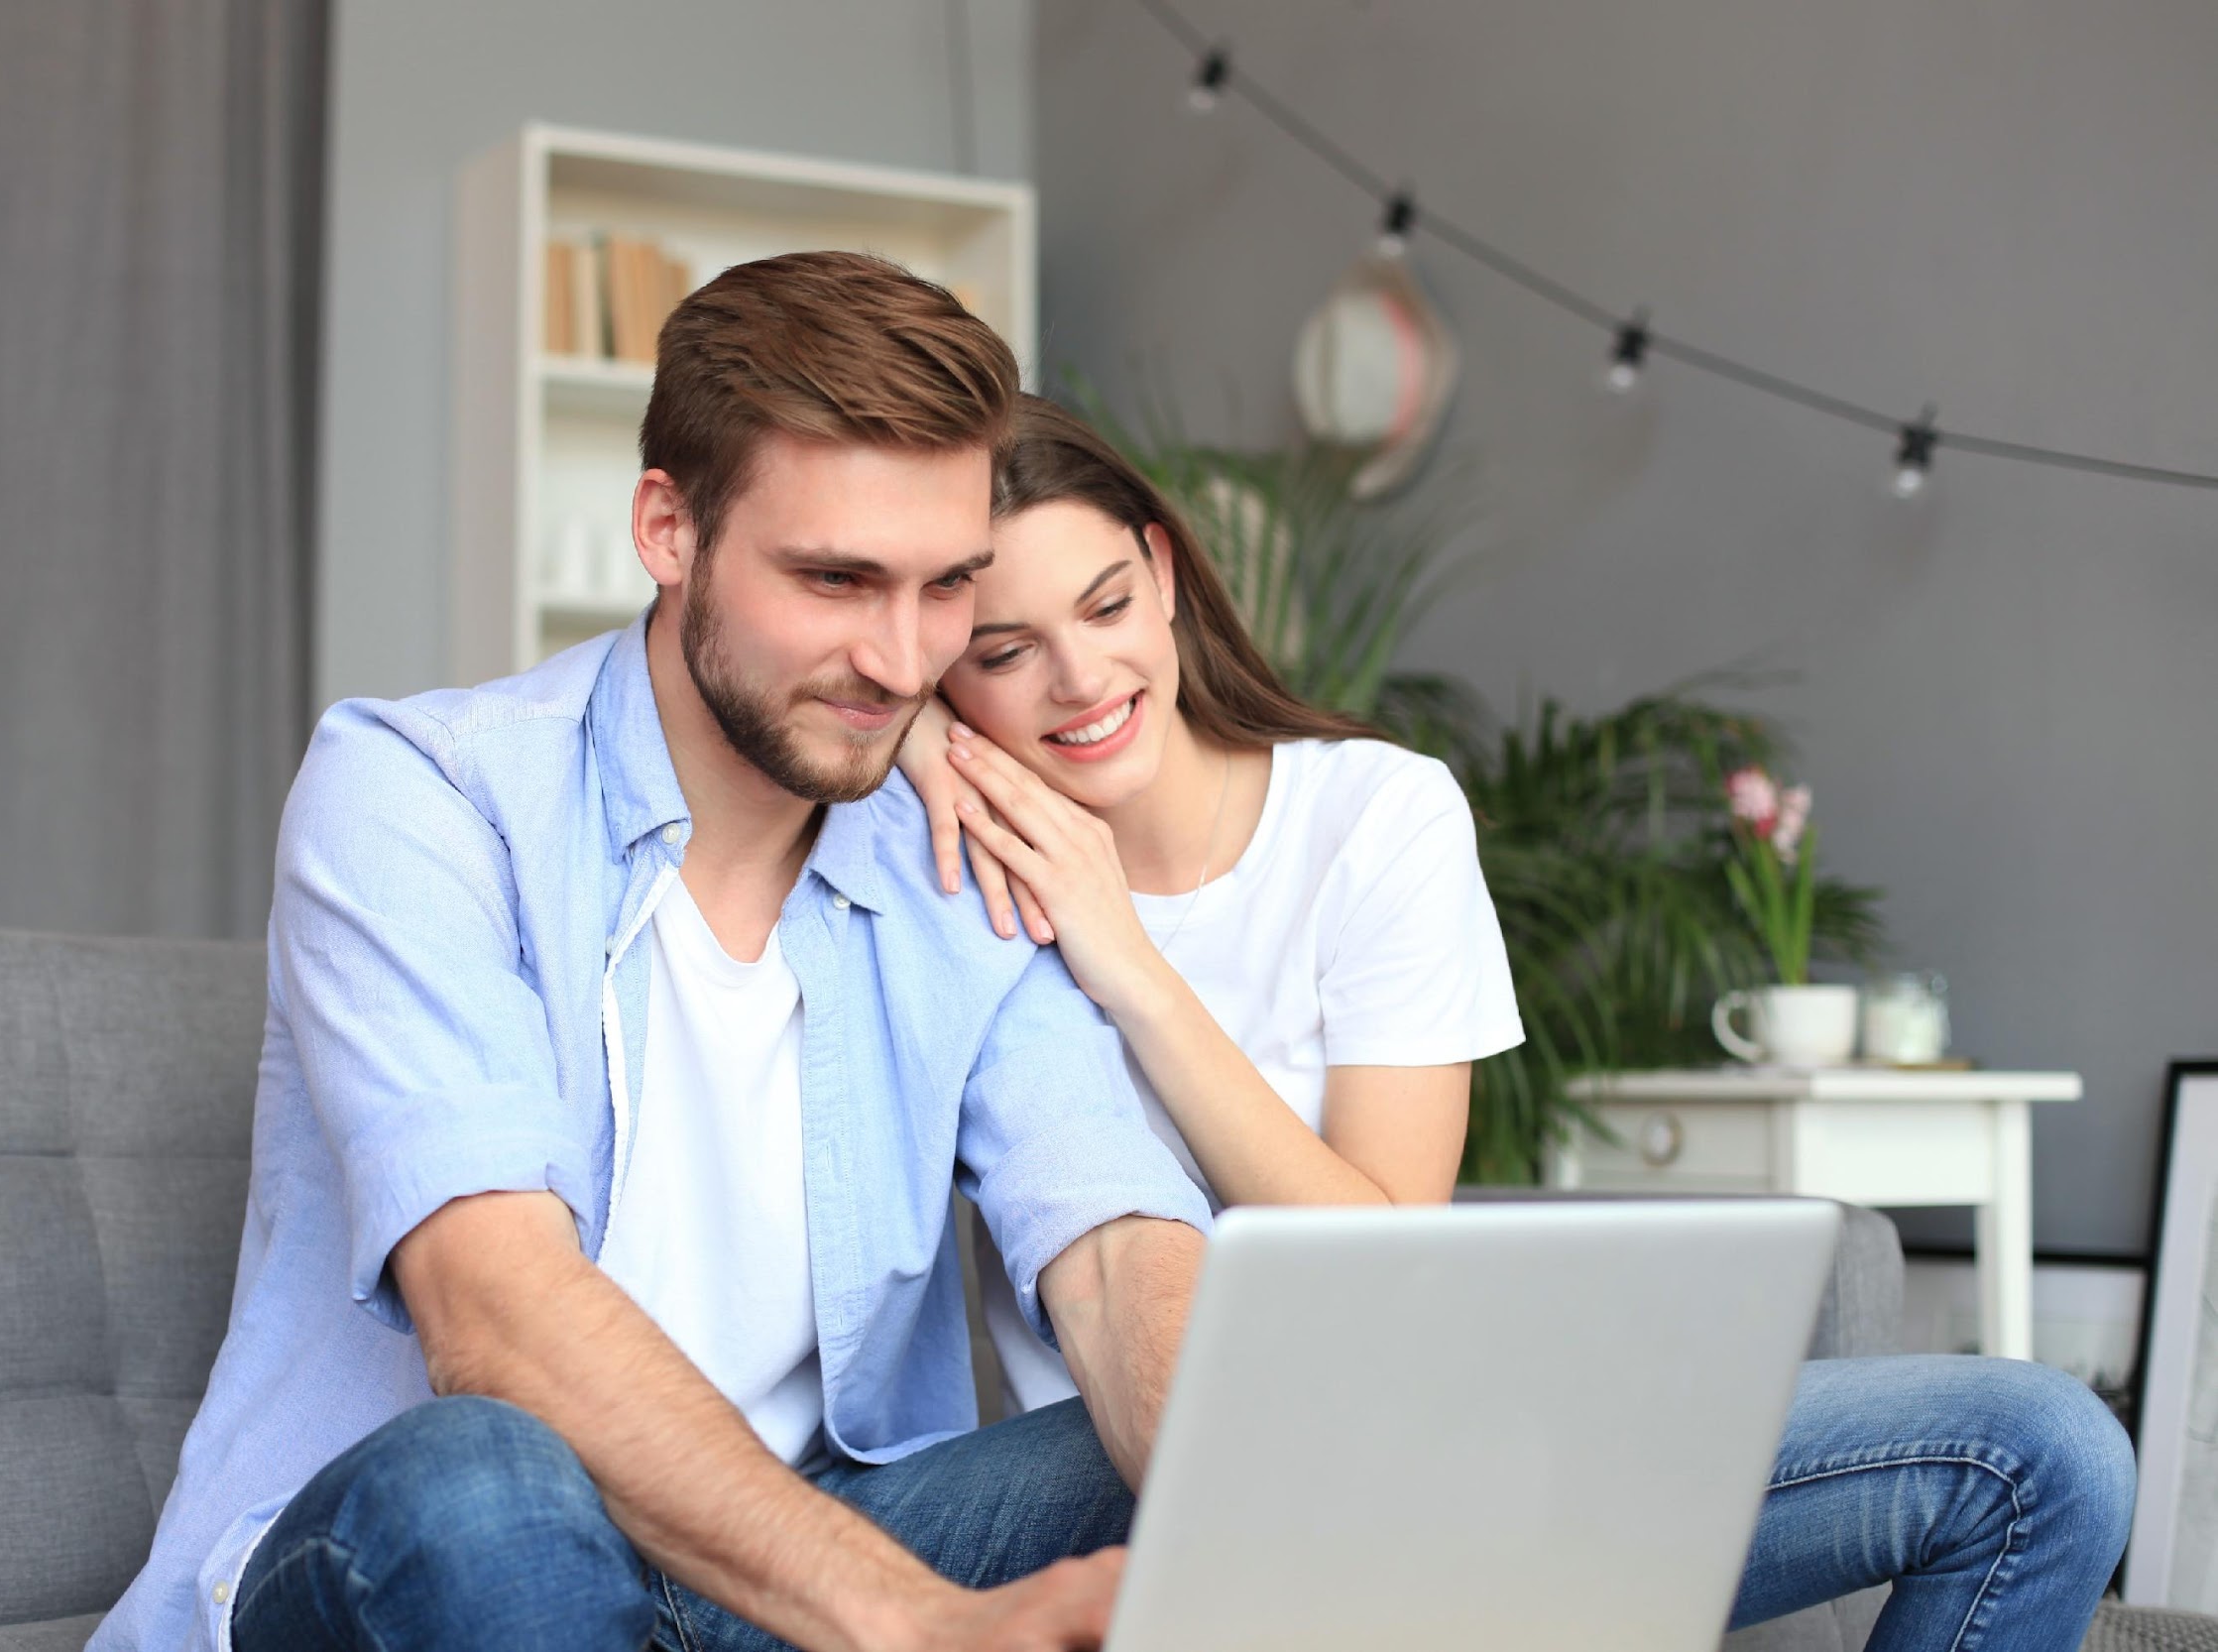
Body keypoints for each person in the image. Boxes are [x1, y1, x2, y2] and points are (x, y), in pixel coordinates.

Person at [88, 255, 1214, 1652]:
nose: (902, 656)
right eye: (836, 578)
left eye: (946, 589)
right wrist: (914, 1621)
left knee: (1192, 1456)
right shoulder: (420, 793)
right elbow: (492, 1313)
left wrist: (1268, 1505)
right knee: (485, 1475)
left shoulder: (949, 839)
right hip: (430, 1563)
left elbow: (1115, 1256)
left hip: (783, 1575)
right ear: (667, 528)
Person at [899, 394, 2140, 1652]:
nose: (1078, 678)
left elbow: (1386, 1263)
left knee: (2046, 1448)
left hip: (1437, 1442)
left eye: (1105, 606)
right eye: (1001, 653)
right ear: (940, 674)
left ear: (1162, 573)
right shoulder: (958, 870)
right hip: (1132, 1498)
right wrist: (912, 750)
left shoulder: (1377, 818)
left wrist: (1136, 976)